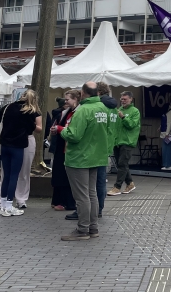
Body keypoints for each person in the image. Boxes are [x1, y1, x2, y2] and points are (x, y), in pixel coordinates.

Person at [60, 82, 112, 241]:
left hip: (80, 158)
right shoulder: (104, 109)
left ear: (83, 93)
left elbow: (74, 135)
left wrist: (62, 131)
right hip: (97, 156)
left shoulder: (83, 110)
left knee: (81, 196)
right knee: (92, 194)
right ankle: (93, 227)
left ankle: (82, 230)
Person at [0, 90, 42, 217]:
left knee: (6, 175)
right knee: (14, 175)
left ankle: (2, 205)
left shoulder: (9, 107)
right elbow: (32, 128)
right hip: (18, 145)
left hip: (5, 145)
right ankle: (9, 206)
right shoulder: (28, 112)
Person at [50, 90, 79, 212]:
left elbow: (72, 131)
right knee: (58, 173)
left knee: (66, 176)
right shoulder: (64, 113)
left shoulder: (77, 113)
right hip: (60, 146)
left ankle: (68, 202)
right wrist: (54, 130)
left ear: (76, 99)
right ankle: (57, 200)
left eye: (68, 99)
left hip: (70, 148)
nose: (65, 102)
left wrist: (60, 129)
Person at [107, 91, 141, 196]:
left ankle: (117, 187)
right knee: (121, 164)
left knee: (122, 164)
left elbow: (132, 125)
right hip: (118, 141)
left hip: (128, 141)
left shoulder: (135, 111)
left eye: (125, 99)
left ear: (131, 99)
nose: (123, 101)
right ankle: (130, 183)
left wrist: (123, 117)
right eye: (121, 99)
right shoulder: (119, 110)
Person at [94, 82, 118, 217]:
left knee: (95, 181)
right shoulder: (114, 108)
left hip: (97, 146)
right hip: (108, 146)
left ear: (98, 92)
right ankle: (100, 208)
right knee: (101, 180)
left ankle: (96, 209)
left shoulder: (100, 106)